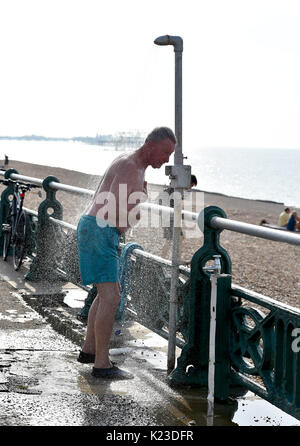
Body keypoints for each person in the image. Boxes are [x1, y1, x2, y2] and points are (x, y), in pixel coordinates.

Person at [76, 127, 176, 379]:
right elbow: (124, 219)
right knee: (111, 297)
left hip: (94, 227)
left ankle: (89, 349)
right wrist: (139, 208)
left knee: (106, 294)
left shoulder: (127, 160)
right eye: (165, 152)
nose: (167, 159)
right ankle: (102, 364)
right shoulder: (132, 168)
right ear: (150, 145)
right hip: (101, 231)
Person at [160, 174, 198, 260]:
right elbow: (179, 205)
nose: (190, 188)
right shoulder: (179, 189)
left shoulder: (176, 187)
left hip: (169, 216)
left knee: (172, 239)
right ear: (187, 181)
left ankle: (165, 258)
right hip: (170, 216)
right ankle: (174, 259)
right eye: (191, 185)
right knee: (176, 238)